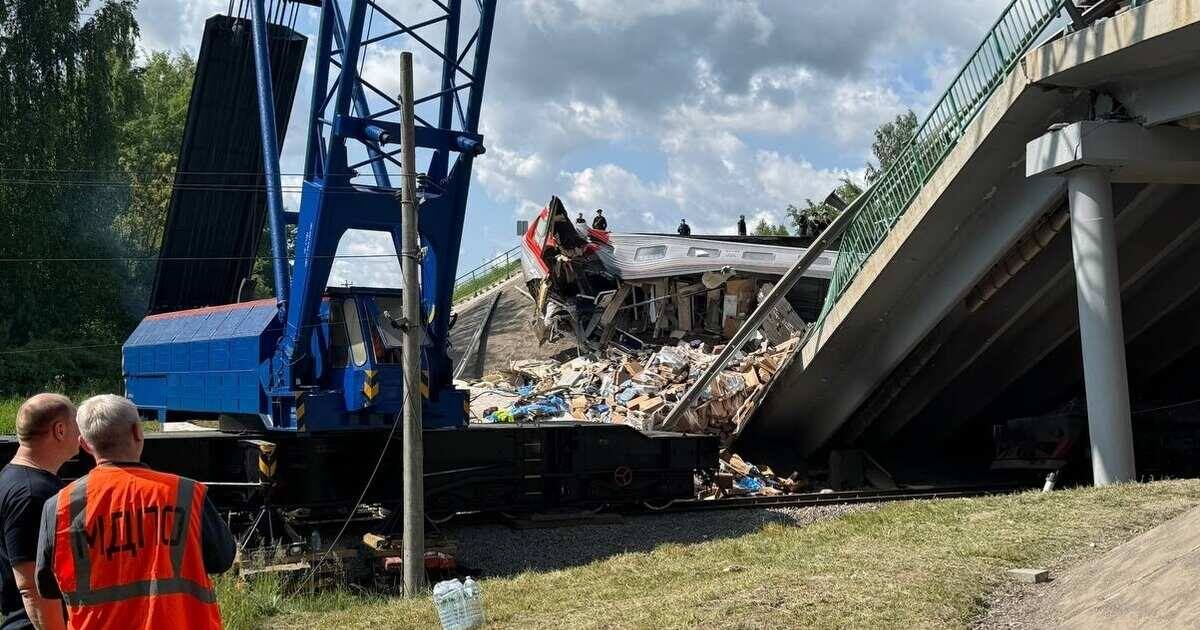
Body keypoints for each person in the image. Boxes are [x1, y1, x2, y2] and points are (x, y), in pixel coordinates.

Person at [35, 395, 235, 630]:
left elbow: (47, 587)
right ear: (138, 432)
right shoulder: (187, 494)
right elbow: (222, 560)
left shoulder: (60, 506)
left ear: (85, 444)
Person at [1, 394, 78, 630]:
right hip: (32, 623)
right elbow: (31, 587)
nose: (80, 433)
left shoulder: (10, 477)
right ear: (60, 430)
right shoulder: (32, 495)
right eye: (77, 424)